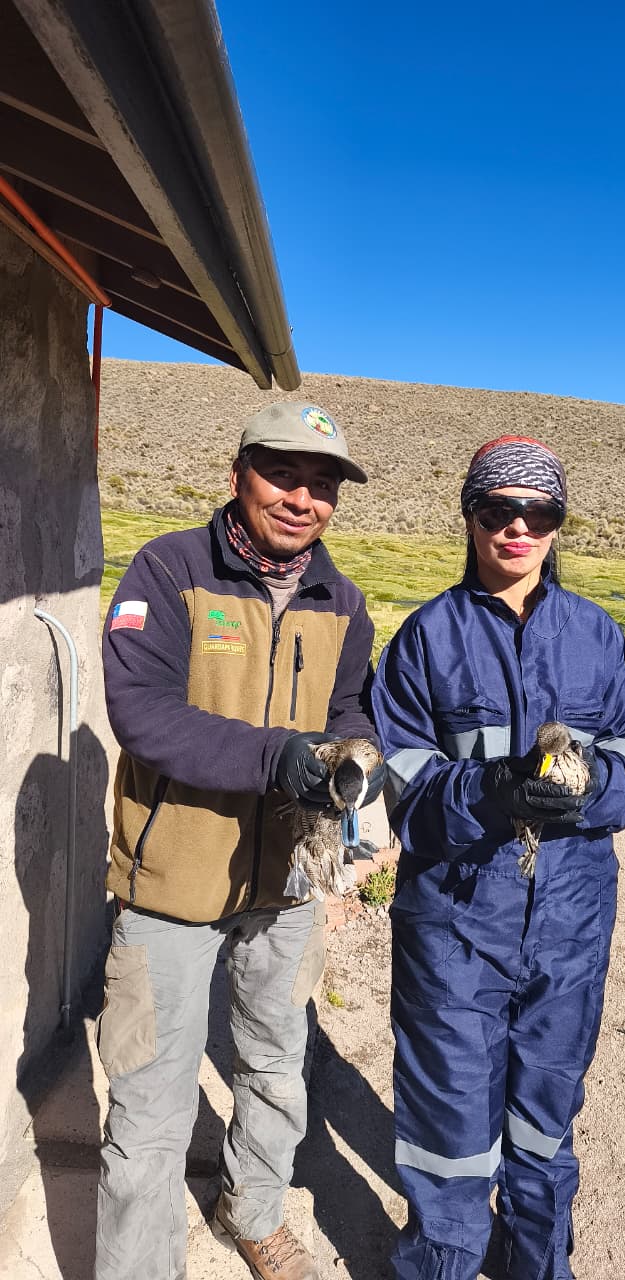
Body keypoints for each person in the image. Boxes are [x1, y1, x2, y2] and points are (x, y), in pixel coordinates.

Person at [96, 401, 385, 1280]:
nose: (304, 498)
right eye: (284, 474)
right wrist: (277, 759)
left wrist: (355, 766)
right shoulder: (169, 568)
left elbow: (353, 713)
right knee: (148, 1102)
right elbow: (140, 713)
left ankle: (250, 1212)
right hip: (171, 880)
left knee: (274, 1065)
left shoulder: (345, 600)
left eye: (323, 484)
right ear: (238, 474)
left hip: (289, 884)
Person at [371, 435, 625, 1280]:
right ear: (470, 516)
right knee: (451, 1134)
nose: (517, 528)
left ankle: (538, 1263)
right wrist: (490, 791)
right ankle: (444, 1265)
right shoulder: (427, 637)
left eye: (538, 513)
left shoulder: (596, 634)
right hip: (454, 924)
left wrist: (590, 790)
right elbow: (402, 785)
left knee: (544, 1120)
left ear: (556, 526)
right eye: (498, 509)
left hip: (571, 925)